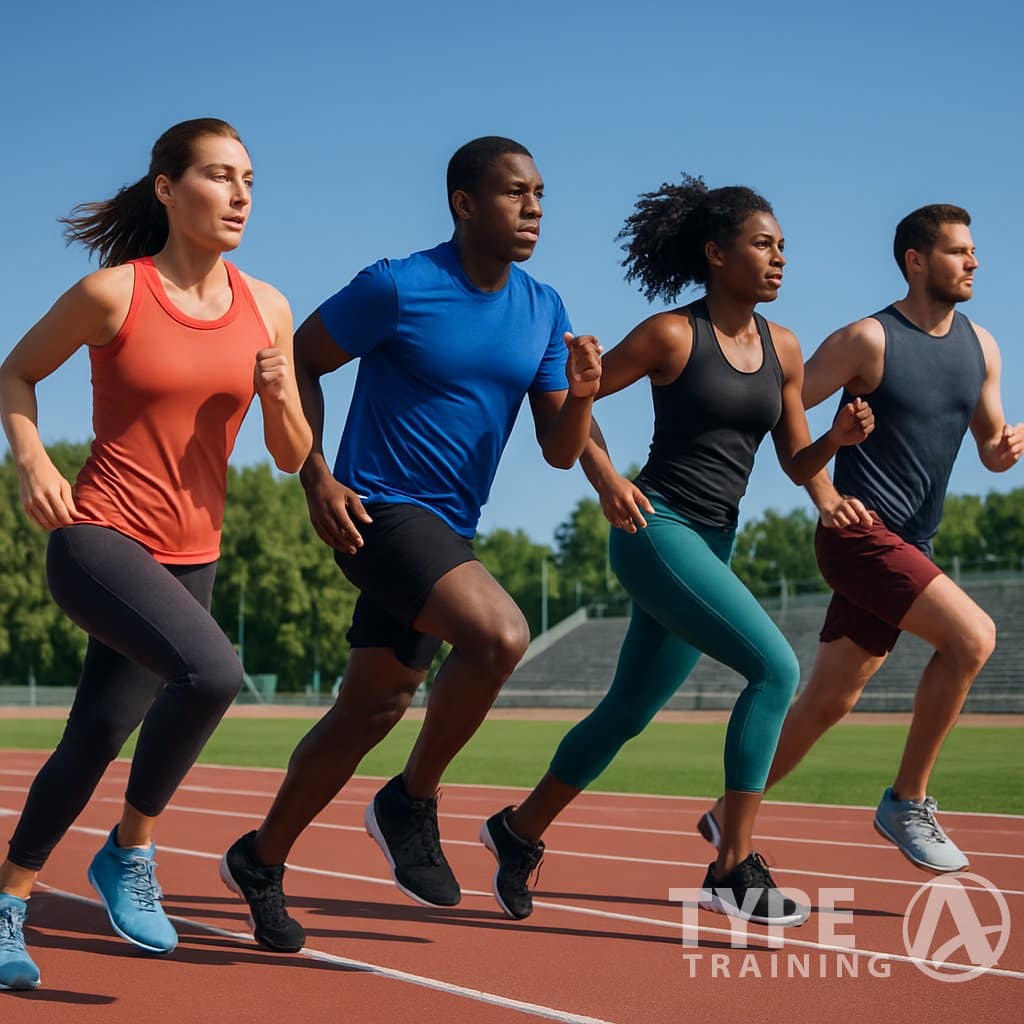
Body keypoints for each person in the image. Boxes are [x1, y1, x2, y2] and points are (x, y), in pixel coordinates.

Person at [220, 136, 602, 952]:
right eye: (513, 193)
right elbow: (298, 361)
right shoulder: (398, 285)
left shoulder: (544, 308)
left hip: (448, 532)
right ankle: (410, 800)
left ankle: (260, 858)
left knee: (373, 707)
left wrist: (584, 398)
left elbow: (560, 450)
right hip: (377, 514)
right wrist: (314, 475)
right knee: (500, 635)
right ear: (465, 203)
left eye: (540, 193)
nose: (533, 206)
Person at [477, 175, 874, 925]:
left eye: (784, 246)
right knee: (776, 667)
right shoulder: (670, 334)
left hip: (714, 542)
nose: (779, 258)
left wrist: (835, 441)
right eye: (763, 244)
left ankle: (518, 830)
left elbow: (794, 462)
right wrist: (607, 479)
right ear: (717, 253)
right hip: (654, 527)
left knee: (627, 711)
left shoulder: (783, 347)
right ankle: (732, 865)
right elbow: (568, 400)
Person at [0, 118, 311, 990]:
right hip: (98, 538)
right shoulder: (114, 294)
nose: (242, 193)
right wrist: (34, 463)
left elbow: (289, 458)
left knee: (94, 737)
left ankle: (8, 903)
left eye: (250, 177)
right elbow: (14, 374)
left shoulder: (268, 308)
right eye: (220, 175)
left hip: (191, 557)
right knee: (212, 673)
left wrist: (281, 393)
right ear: (169, 189)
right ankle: (131, 848)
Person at [698, 204, 1022, 872]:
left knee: (827, 702)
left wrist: (1004, 450)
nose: (974, 262)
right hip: (858, 534)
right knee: (973, 638)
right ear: (916, 262)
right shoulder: (868, 340)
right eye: (960, 251)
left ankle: (728, 812)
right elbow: (784, 396)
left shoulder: (983, 347)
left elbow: (989, 444)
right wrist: (821, 482)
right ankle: (908, 799)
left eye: (973, 252)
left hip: (913, 544)